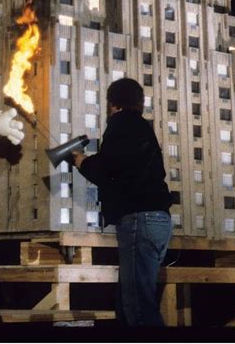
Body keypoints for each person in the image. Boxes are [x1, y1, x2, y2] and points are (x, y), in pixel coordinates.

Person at [72, 78, 173, 327]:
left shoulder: (120, 124)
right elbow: (124, 168)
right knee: (137, 302)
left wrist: (81, 161)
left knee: (137, 308)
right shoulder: (141, 127)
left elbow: (108, 171)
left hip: (139, 219)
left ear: (113, 104)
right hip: (157, 220)